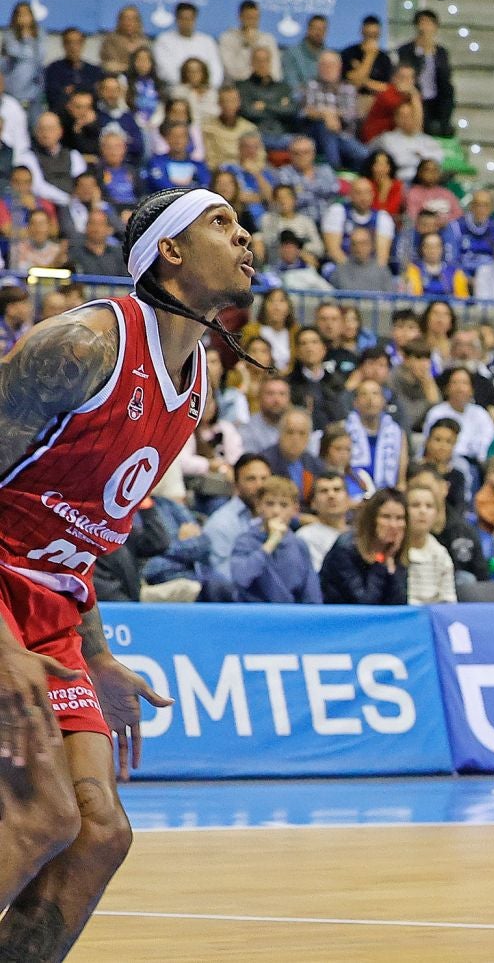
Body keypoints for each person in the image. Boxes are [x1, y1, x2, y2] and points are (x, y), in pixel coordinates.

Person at [0, 186, 253, 951]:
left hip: (54, 606)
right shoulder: (81, 346)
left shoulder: (196, 385)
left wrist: (99, 653)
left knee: (100, 834)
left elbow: (81, 534)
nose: (245, 237)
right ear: (169, 251)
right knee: (41, 813)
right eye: (222, 223)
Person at [319, 488, 410, 605]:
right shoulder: (346, 549)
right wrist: (380, 562)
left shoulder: (394, 550)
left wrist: (391, 564)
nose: (393, 525)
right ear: (371, 519)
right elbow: (365, 604)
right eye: (386, 517)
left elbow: (399, 605)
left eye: (400, 518)